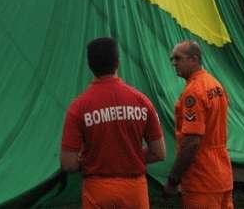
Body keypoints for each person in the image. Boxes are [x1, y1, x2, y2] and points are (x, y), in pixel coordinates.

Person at [60, 37, 166, 209]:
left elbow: (68, 163)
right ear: (117, 62)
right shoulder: (142, 101)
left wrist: (95, 161)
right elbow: (159, 153)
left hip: (97, 191)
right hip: (134, 192)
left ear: (90, 64)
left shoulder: (78, 107)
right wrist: (129, 158)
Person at [163, 40, 233, 208]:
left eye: (178, 58)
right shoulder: (215, 84)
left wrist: (173, 180)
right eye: (172, 59)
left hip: (202, 178)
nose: (174, 63)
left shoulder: (193, 92)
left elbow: (192, 142)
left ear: (194, 60)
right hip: (222, 173)